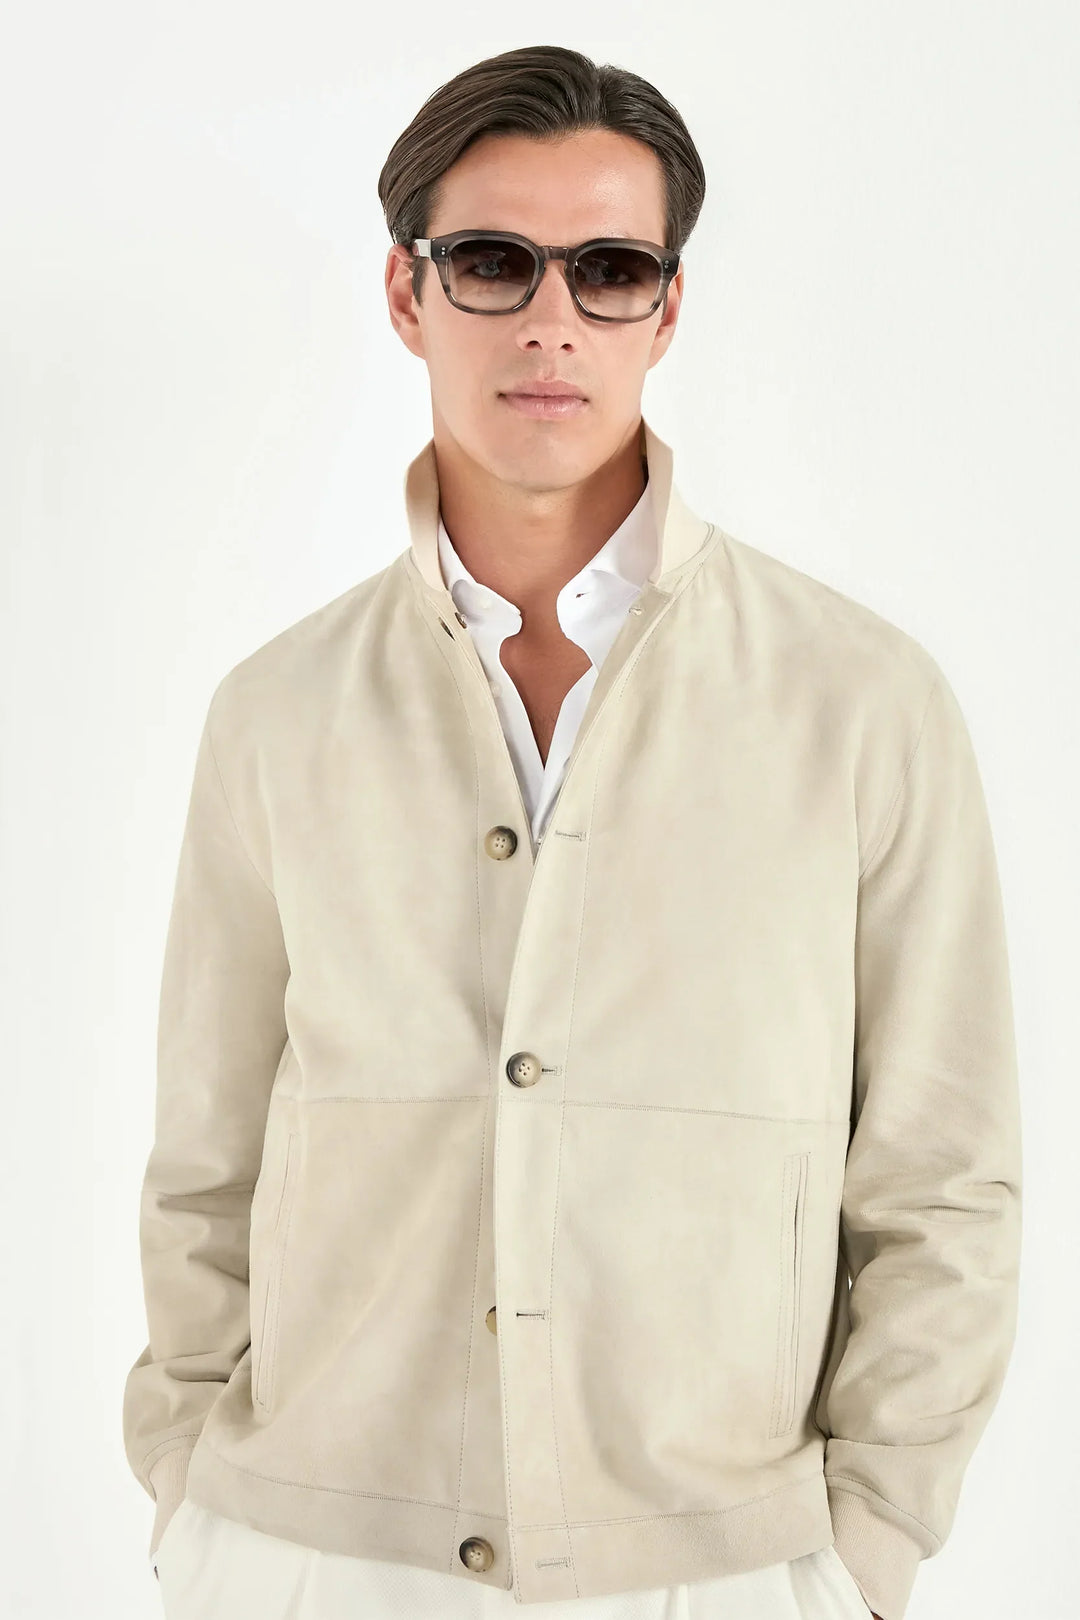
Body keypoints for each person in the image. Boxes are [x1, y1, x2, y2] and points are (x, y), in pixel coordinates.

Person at [123, 44, 1021, 1620]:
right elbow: (208, 1161)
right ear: (407, 295)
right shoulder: (276, 712)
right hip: (311, 1551)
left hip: (723, 1561)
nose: (551, 320)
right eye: (492, 262)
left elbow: (943, 1179)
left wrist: (865, 1541)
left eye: (608, 271)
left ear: (665, 313)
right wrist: (193, 1483)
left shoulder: (861, 702)